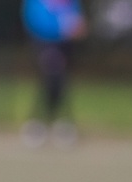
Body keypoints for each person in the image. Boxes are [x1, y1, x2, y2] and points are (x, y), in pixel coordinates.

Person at [21, 0, 86, 146]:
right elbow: (34, 20)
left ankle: (59, 123)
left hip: (65, 44)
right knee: (50, 80)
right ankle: (39, 123)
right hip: (44, 43)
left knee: (60, 83)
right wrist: (59, 29)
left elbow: (76, 17)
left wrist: (77, 27)